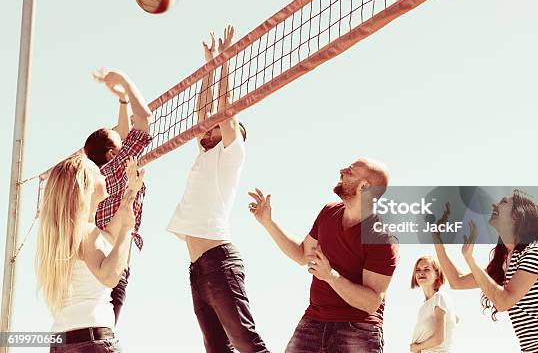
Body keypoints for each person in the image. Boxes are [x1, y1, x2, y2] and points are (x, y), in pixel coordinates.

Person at [167, 25, 269, 353]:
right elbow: (204, 112)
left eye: (222, 127)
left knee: (248, 344)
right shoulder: (205, 153)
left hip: (219, 262)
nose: (210, 125)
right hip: (198, 269)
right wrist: (209, 66)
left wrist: (226, 62)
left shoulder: (232, 154)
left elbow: (226, 111)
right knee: (217, 349)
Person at [249, 158, 400, 353]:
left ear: (364, 186)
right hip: (313, 322)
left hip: (357, 330)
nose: (342, 170)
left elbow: (371, 303)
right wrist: (268, 222)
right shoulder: (328, 212)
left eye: (350, 171)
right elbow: (303, 254)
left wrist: (331, 276)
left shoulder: (382, 238)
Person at [433, 189, 538, 353]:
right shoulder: (505, 262)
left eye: (503, 202)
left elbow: (503, 301)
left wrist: (470, 259)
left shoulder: (535, 253)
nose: (495, 204)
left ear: (519, 215)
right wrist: (437, 239)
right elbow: (457, 281)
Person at [36, 154, 143, 352]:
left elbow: (110, 234)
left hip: (63, 343)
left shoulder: (71, 232)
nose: (104, 174)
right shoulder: (85, 231)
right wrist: (128, 228)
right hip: (92, 340)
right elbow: (110, 277)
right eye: (98, 171)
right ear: (87, 185)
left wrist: (131, 192)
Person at [83, 68, 153, 324]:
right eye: (119, 146)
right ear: (114, 154)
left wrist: (123, 100)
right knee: (103, 337)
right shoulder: (117, 167)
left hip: (95, 267)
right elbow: (144, 118)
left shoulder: (96, 173)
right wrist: (124, 78)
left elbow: (119, 136)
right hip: (113, 270)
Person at [409, 256, 458, 353]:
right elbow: (456, 318)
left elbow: (438, 339)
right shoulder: (428, 304)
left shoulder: (439, 298)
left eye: (426, 269)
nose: (421, 272)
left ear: (437, 275)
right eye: (418, 270)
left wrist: (416, 347)